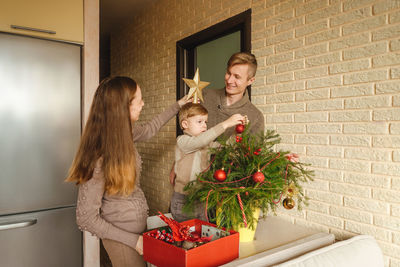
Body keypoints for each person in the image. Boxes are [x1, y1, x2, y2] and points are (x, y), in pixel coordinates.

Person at [66, 76, 191, 267]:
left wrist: (179, 105)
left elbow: (150, 129)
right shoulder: (99, 157)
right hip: (123, 240)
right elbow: (85, 218)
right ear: (122, 107)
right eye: (138, 100)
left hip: (137, 232)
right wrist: (134, 241)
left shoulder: (124, 134)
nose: (143, 103)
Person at [171, 103, 245, 222]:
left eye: (205, 122)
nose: (204, 126)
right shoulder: (182, 141)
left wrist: (237, 133)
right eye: (199, 122)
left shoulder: (206, 144)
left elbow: (225, 146)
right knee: (185, 234)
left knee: (202, 234)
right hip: (183, 199)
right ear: (185, 124)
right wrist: (225, 124)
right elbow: (199, 142)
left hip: (201, 197)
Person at [202, 51, 264, 137]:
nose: (229, 80)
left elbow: (255, 150)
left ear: (250, 81)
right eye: (228, 73)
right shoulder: (205, 96)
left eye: (237, 77)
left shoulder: (256, 117)